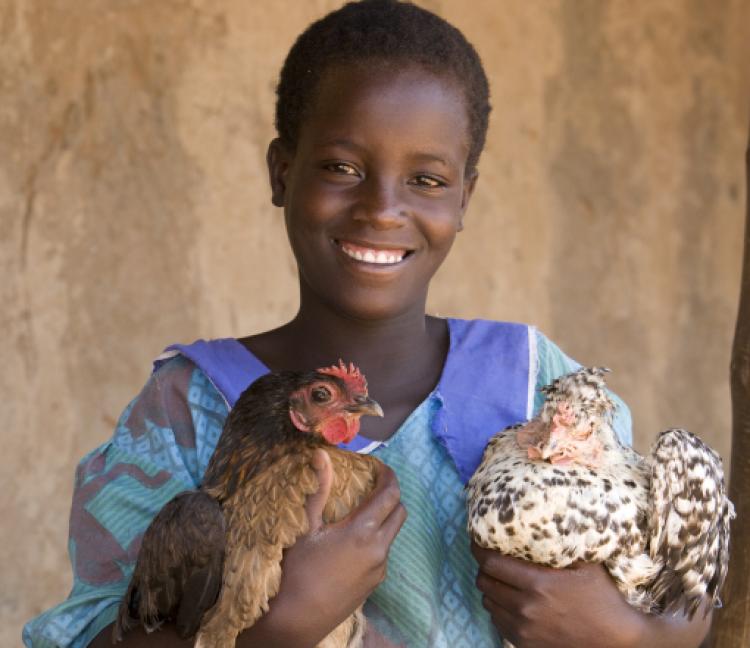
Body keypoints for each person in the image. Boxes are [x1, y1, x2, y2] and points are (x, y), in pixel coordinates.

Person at [24, 1, 713, 647]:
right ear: (281, 173)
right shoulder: (186, 408)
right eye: (342, 167)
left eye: (427, 180)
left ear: (465, 197)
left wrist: (631, 635)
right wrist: (274, 631)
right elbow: (89, 632)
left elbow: (676, 595)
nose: (382, 209)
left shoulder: (539, 387)